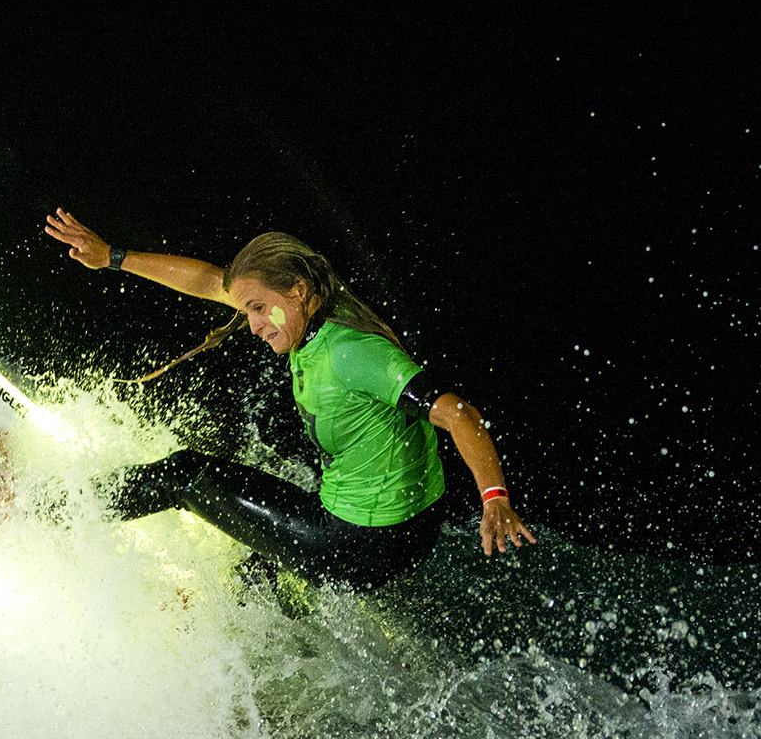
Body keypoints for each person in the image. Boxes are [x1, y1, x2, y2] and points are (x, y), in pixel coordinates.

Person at [45, 208, 535, 589]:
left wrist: (495, 499)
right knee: (257, 566)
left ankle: (49, 513)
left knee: (186, 474)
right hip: (411, 530)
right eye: (247, 310)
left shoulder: (349, 352)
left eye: (259, 309)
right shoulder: (317, 313)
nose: (253, 325)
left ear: (297, 291)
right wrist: (111, 257)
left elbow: (458, 413)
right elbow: (209, 281)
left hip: (358, 545)